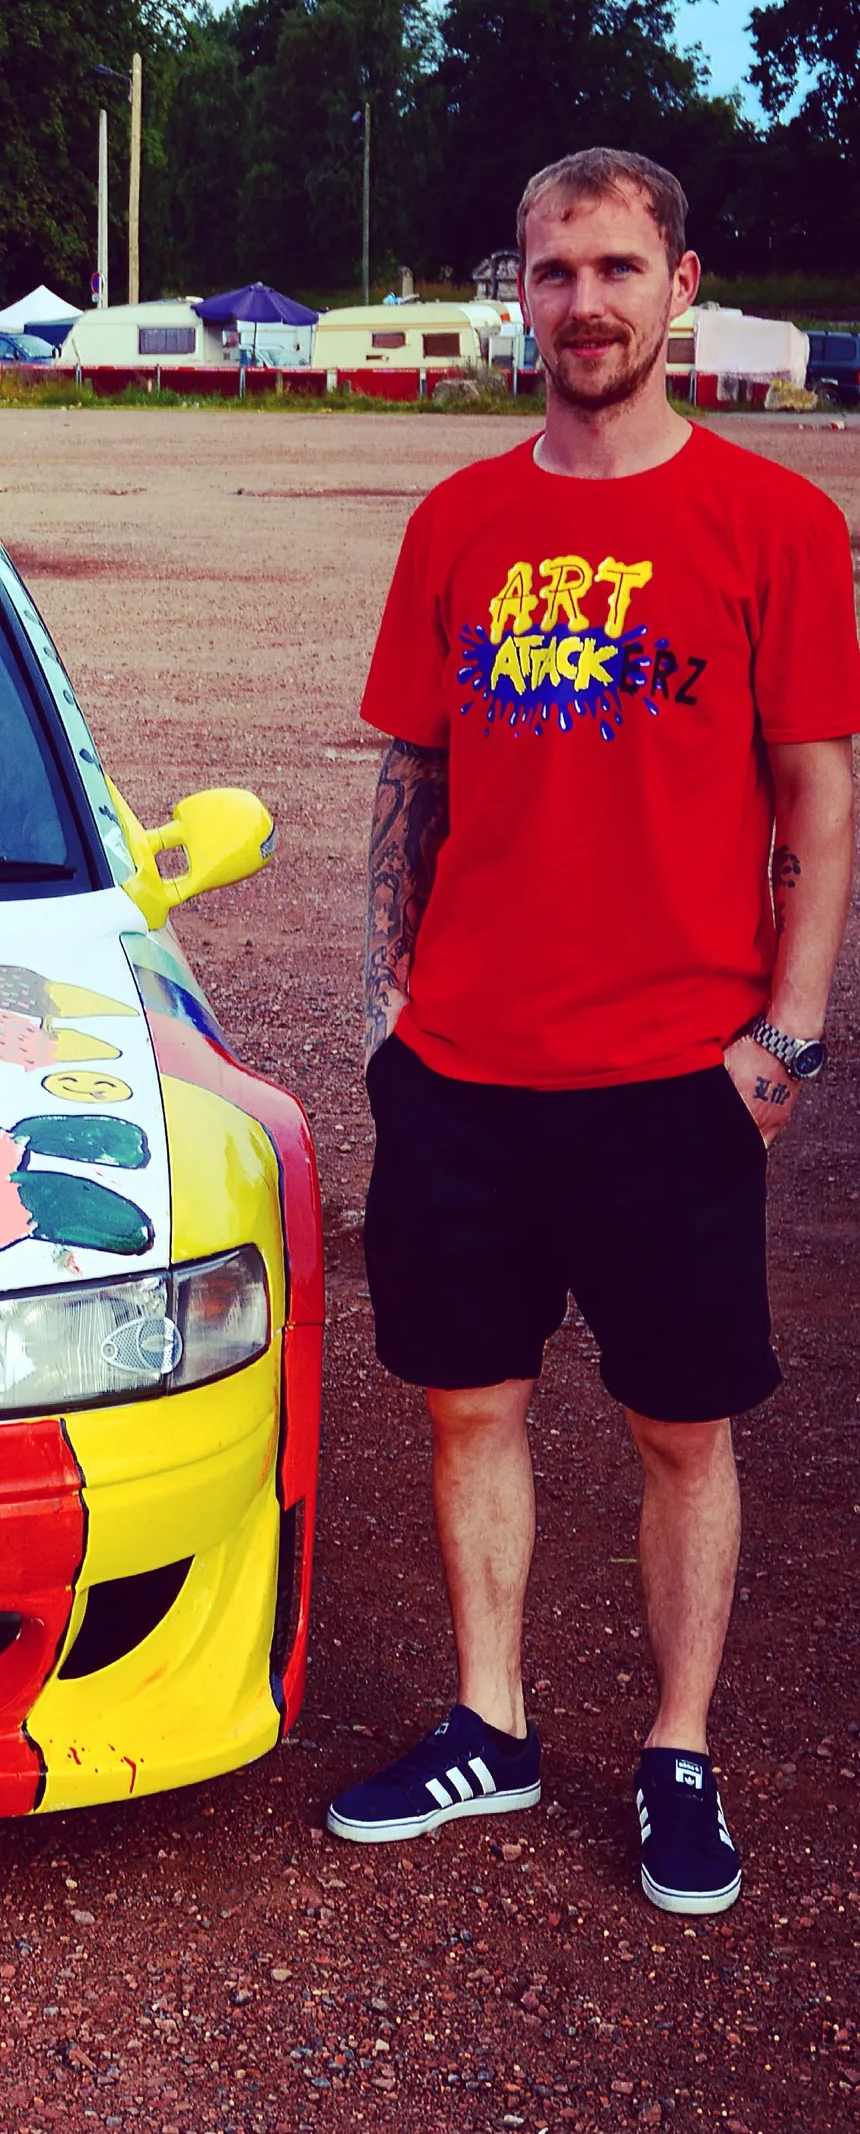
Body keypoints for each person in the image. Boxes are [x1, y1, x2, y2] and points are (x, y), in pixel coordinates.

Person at [328, 147, 858, 1916]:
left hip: (674, 1080)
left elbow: (818, 792)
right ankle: (490, 1721)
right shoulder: (456, 522)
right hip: (467, 1075)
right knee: (465, 1405)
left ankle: (678, 1747)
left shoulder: (776, 525)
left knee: (681, 1428)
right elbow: (413, 770)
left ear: (682, 284)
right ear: (521, 293)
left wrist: (789, 1035)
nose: (586, 305)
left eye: (619, 269)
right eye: (554, 273)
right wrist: (395, 998)